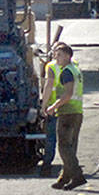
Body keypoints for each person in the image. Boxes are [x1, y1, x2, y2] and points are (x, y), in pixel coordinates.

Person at [46, 42, 86, 191]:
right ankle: (65, 178)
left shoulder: (66, 72)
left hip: (67, 112)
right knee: (69, 146)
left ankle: (77, 176)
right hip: (77, 112)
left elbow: (67, 94)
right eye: (55, 54)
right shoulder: (75, 69)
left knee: (64, 147)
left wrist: (52, 107)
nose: (56, 57)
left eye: (59, 55)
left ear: (68, 56)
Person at [37, 49, 61, 177]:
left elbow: (48, 86)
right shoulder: (74, 66)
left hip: (55, 109)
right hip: (72, 109)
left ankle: (47, 166)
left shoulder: (51, 67)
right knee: (68, 140)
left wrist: (43, 106)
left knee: (51, 138)